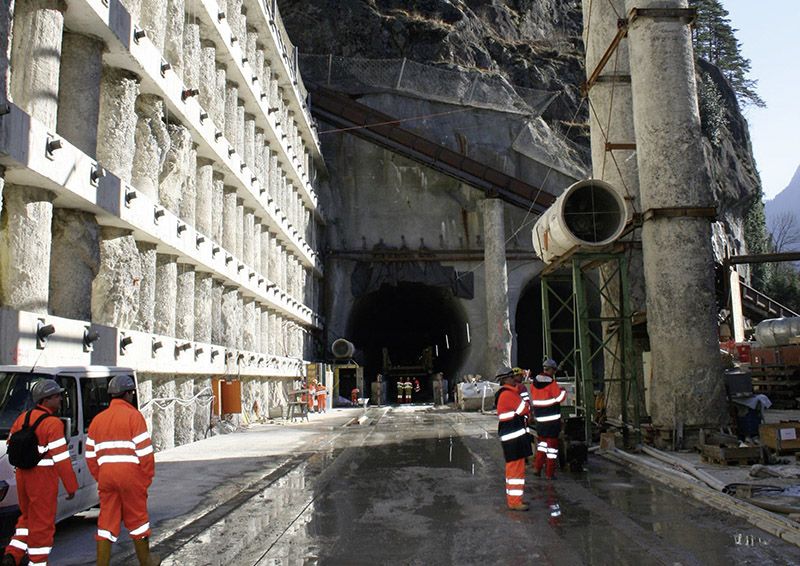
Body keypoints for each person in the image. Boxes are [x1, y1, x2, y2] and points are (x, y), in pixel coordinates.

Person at [2, 379, 78, 566]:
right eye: (57, 396)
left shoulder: (22, 418)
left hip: (22, 475)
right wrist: (71, 487)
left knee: (26, 518)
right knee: (42, 524)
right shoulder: (53, 424)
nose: (60, 399)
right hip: (41, 480)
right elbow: (61, 459)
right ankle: (37, 562)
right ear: (46, 399)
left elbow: (10, 444)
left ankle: (13, 554)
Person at [86, 375, 158, 566]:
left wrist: (100, 476)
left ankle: (102, 564)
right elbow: (145, 453)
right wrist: (146, 479)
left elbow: (90, 455)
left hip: (107, 477)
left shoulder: (97, 420)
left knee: (106, 523)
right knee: (138, 520)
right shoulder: (134, 416)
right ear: (128, 394)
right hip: (131, 477)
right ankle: (146, 561)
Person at [494, 367, 533, 511]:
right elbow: (524, 409)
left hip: (511, 436)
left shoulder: (506, 393)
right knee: (515, 470)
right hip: (513, 438)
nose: (514, 379)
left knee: (514, 469)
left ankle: (514, 499)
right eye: (511, 377)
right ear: (505, 379)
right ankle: (515, 502)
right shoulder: (508, 395)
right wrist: (526, 404)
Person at [531, 358, 566, 480]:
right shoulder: (551, 383)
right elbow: (559, 398)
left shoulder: (534, 382)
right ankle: (549, 473)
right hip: (551, 422)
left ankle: (537, 468)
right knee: (551, 449)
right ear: (551, 370)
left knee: (541, 445)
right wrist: (563, 391)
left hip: (540, 421)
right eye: (554, 370)